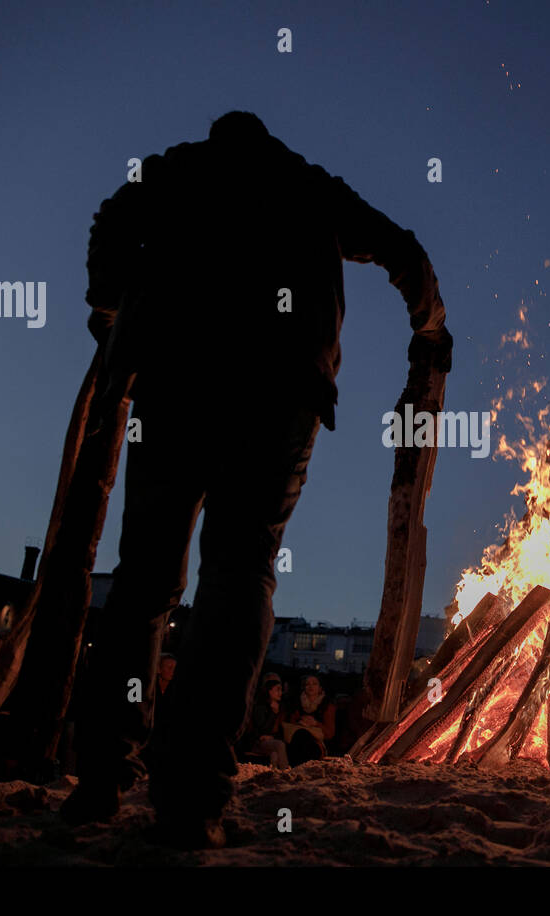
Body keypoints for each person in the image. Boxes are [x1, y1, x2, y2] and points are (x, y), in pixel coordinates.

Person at [59, 110, 449, 848]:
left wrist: (106, 304)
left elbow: (110, 217)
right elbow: (402, 249)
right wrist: (430, 323)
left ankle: (103, 775)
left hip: (174, 378)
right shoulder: (306, 184)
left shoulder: (174, 171)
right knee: (239, 576)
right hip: (278, 392)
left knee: (143, 579)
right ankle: (193, 795)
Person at [286, 674, 336, 765]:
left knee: (304, 740)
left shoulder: (326, 706)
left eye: (314, 684)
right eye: (307, 684)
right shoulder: (298, 703)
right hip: (298, 740)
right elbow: (290, 723)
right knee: (300, 736)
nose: (311, 686)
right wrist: (301, 721)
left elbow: (330, 733)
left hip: (317, 743)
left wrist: (315, 723)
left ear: (320, 688)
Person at [244, 673, 290, 770]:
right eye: (277, 689)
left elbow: (282, 730)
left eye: (281, 690)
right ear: (269, 691)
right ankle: (286, 772)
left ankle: (275, 775)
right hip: (257, 742)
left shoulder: (281, 707)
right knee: (279, 745)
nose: (280, 693)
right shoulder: (260, 706)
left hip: (271, 741)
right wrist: (273, 713)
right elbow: (262, 728)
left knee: (274, 754)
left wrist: (272, 736)